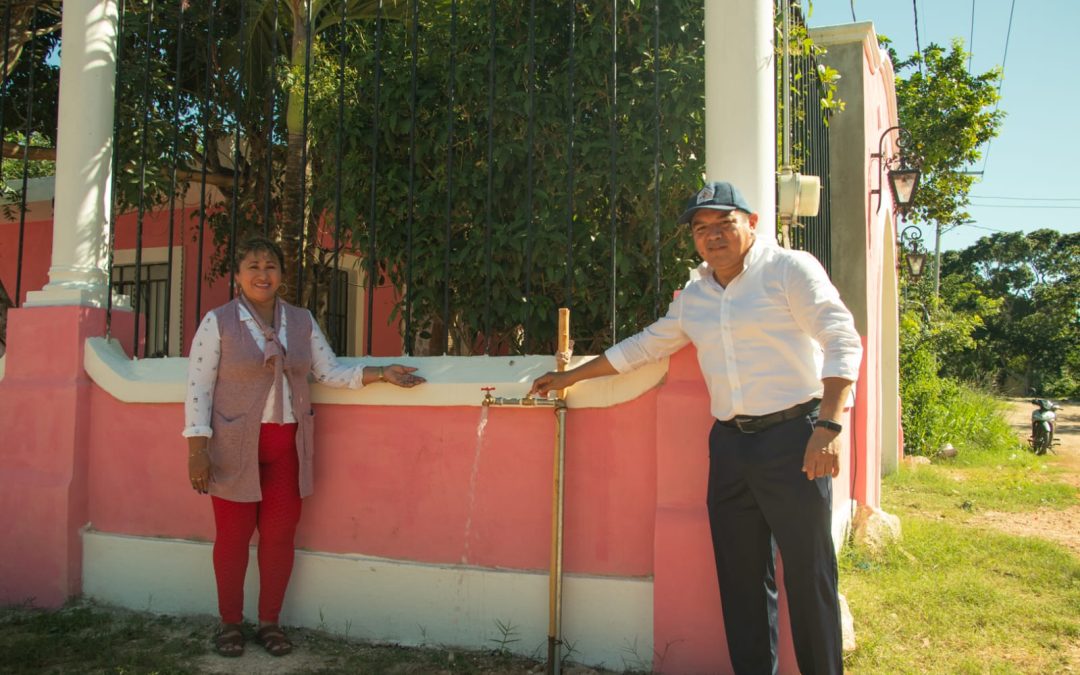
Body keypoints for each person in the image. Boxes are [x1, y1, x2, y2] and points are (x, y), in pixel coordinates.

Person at [530, 181, 862, 674]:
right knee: (740, 578)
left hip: (797, 436)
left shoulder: (789, 270)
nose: (712, 236)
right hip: (730, 446)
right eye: (700, 228)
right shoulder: (695, 297)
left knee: (809, 574)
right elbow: (645, 346)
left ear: (751, 223)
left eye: (724, 223)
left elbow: (840, 336)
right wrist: (569, 377)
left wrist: (829, 425)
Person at [184, 236, 424, 658]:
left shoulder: (300, 321)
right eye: (253, 265)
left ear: (281, 274)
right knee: (234, 537)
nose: (263, 273)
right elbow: (199, 388)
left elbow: (328, 371)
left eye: (271, 266)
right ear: (237, 275)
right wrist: (196, 449)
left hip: (285, 447)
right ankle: (230, 623)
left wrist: (380, 372)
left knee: (279, 536)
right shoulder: (218, 322)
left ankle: (270, 622)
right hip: (233, 447)